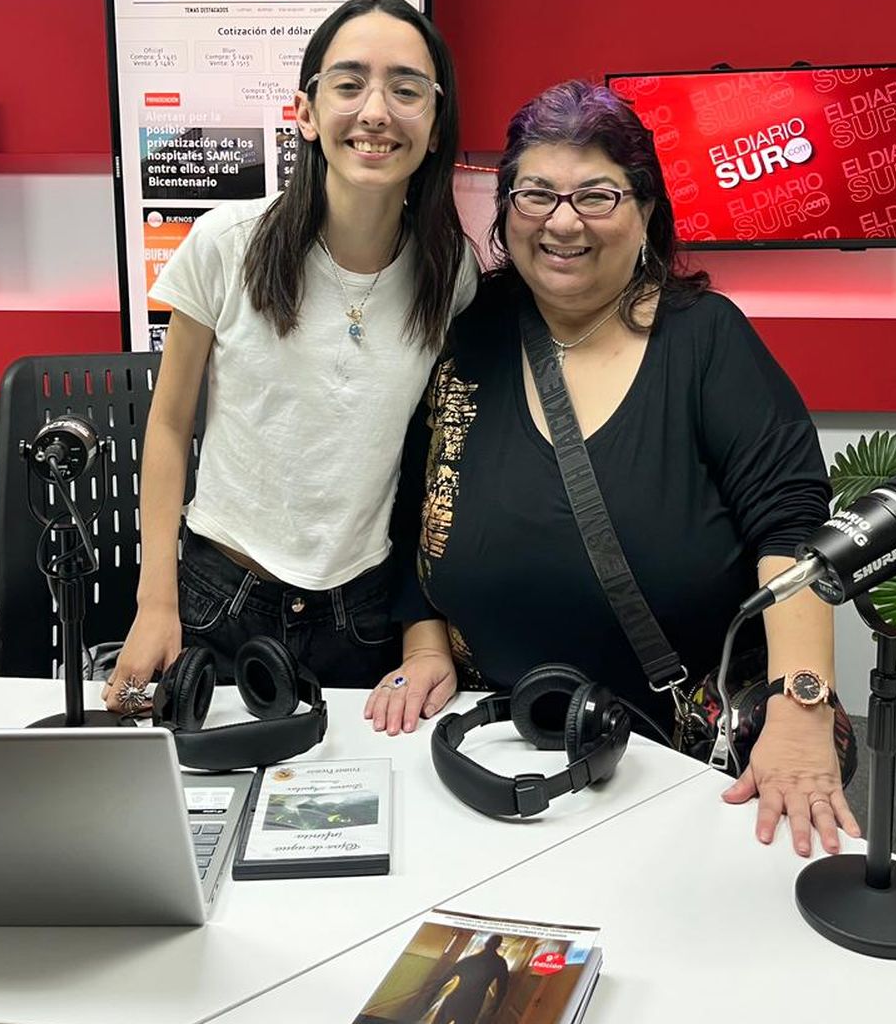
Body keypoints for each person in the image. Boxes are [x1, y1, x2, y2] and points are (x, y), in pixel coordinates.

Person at [367, 79, 861, 859]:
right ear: (505, 212)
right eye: (537, 194)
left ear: (646, 211)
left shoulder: (705, 340)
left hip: (680, 758)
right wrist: (425, 645)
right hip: (492, 746)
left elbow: (793, 526)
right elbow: (409, 510)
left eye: (597, 195)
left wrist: (800, 706)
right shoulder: (470, 338)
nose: (563, 222)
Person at [102, 0, 477, 709]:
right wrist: (156, 602)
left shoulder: (447, 271)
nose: (376, 111)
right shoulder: (226, 243)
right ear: (305, 113)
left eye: (406, 89)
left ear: (434, 127)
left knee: (353, 812)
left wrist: (424, 631)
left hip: (363, 613)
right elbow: (169, 425)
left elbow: (435, 459)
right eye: (349, 84)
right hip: (219, 601)